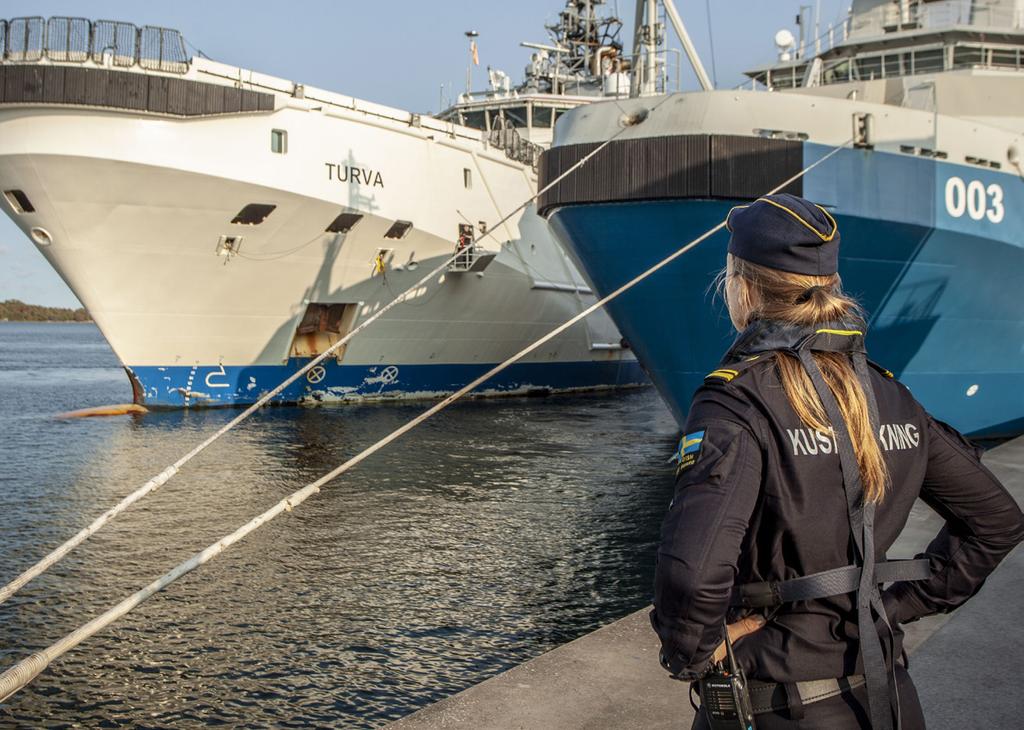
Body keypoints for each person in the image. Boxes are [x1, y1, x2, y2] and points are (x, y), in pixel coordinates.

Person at [650, 194, 1024, 729]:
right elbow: (996, 521)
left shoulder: (739, 399)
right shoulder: (888, 394)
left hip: (779, 706)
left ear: (744, 287)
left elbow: (692, 573)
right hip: (888, 699)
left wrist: (694, 653)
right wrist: (891, 607)